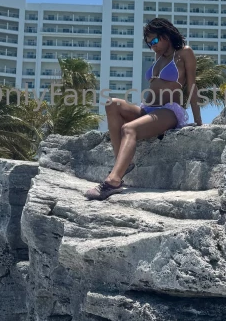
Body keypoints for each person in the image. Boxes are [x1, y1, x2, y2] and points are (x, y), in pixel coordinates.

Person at [85, 18, 202, 200]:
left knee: (128, 129)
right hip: (147, 109)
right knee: (112, 104)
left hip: (169, 111)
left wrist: (199, 123)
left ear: (166, 35)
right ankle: (123, 164)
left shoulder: (184, 53)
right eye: (149, 43)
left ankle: (113, 182)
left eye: (154, 40)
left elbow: (192, 87)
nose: (152, 46)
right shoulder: (158, 57)